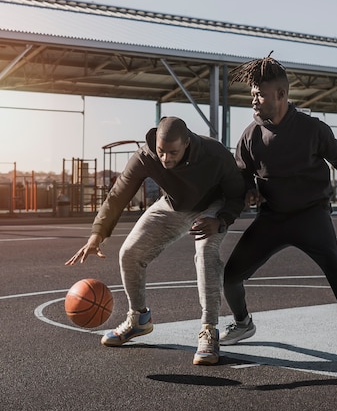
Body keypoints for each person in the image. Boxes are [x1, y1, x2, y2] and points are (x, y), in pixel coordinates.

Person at [219, 54, 337, 373]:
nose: (254, 99)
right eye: (252, 93)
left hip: (311, 216)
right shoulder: (249, 136)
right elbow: (242, 174)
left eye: (260, 94)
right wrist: (247, 191)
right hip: (272, 218)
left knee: (335, 267)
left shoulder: (312, 129)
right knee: (230, 276)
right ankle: (242, 323)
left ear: (281, 95)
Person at [66, 116, 245, 366]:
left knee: (205, 252)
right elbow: (118, 194)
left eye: (172, 152)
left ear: (187, 142)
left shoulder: (214, 153)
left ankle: (209, 330)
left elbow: (238, 195)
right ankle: (139, 319)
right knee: (130, 253)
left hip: (211, 207)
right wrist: (97, 234)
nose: (165, 158)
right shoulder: (146, 155)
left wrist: (221, 220)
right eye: (161, 151)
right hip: (173, 205)